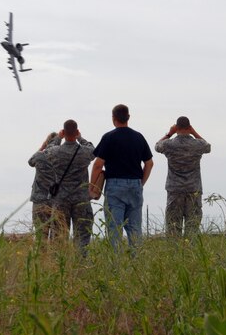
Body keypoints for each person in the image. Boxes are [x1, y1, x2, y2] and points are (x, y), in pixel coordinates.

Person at [89, 104, 153, 249]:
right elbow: (149, 164)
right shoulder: (138, 137)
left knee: (114, 230)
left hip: (115, 186)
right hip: (135, 185)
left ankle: (116, 267)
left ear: (114, 118)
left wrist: (92, 187)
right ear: (128, 117)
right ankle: (137, 265)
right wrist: (141, 183)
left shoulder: (109, 137)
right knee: (135, 229)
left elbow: (98, 165)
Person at [45, 119, 95, 254]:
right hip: (81, 199)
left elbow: (47, 149)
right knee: (82, 238)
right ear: (77, 131)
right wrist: (80, 138)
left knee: (58, 237)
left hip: (61, 200)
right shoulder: (84, 152)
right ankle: (81, 267)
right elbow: (93, 149)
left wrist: (58, 138)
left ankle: (58, 267)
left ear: (63, 132)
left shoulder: (55, 151)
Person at [155, 117, 211, 237]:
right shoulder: (198, 144)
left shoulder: (169, 145)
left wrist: (169, 133)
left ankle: (174, 253)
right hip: (193, 190)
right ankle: (192, 255)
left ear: (177, 128)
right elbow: (208, 147)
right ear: (189, 127)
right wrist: (194, 132)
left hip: (174, 190)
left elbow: (157, 146)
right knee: (192, 229)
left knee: (173, 228)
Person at [28, 131, 58, 240]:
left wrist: (42, 147)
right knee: (56, 236)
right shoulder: (62, 156)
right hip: (56, 200)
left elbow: (30, 161)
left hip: (39, 200)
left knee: (41, 236)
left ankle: (42, 256)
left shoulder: (39, 156)